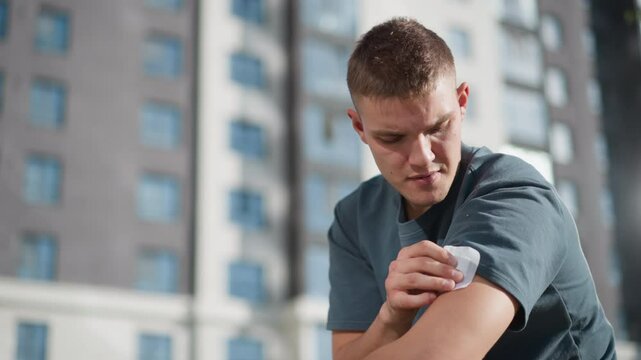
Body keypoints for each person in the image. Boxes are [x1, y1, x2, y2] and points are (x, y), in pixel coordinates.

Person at [327, 17, 616, 359]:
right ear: (360, 127)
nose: (422, 157)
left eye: (438, 127)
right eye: (393, 138)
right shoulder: (355, 220)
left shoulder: (516, 198)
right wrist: (392, 317)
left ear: (462, 102)